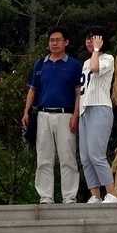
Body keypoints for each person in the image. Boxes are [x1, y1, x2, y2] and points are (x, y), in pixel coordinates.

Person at [22, 27, 83, 204]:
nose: (54, 43)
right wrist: (26, 111)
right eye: (51, 40)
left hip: (66, 115)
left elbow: (79, 93)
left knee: (68, 157)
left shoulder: (74, 65)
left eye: (58, 40)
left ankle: (69, 197)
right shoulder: (40, 64)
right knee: (44, 158)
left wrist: (76, 115)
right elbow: (32, 90)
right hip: (43, 114)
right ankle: (45, 196)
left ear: (66, 42)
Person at [78, 26, 117, 203]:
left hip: (100, 108)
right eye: (87, 38)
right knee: (86, 157)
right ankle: (95, 195)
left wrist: (96, 50)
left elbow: (96, 68)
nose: (89, 41)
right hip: (84, 110)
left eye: (92, 38)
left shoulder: (107, 58)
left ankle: (112, 193)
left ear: (101, 40)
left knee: (97, 154)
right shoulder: (85, 62)